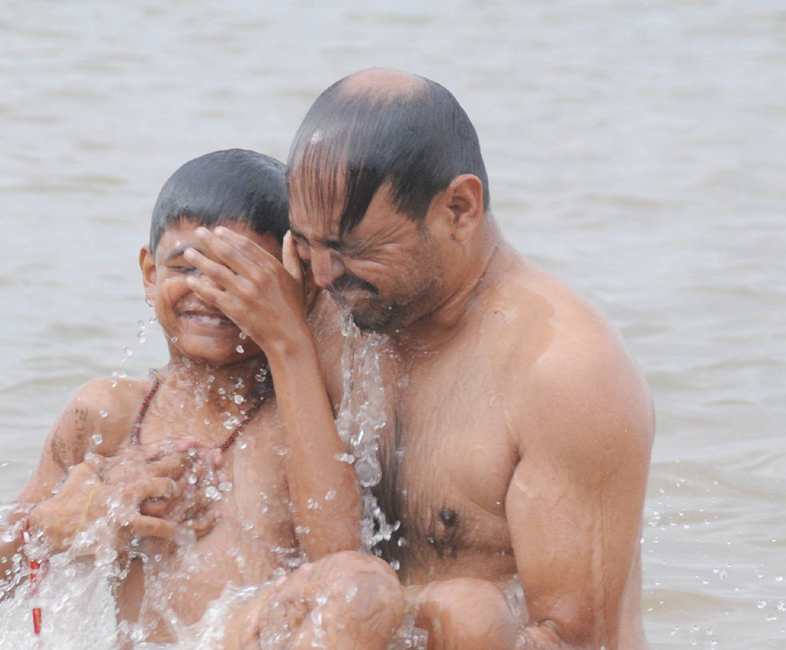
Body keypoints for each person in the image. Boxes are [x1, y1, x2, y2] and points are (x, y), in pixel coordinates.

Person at [186, 69, 655, 649]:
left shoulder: (563, 371)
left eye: (353, 247)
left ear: (460, 209)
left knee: (469, 614)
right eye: (308, 243)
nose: (326, 275)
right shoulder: (319, 306)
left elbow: (582, 642)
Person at [0, 149, 403, 648]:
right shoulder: (110, 414)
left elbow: (341, 559)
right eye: (187, 268)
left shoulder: (309, 416)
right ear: (150, 273)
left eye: (238, 275)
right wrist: (53, 524)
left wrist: (290, 345)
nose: (209, 292)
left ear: (298, 291)